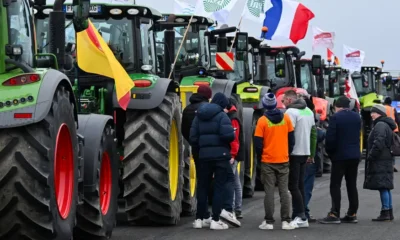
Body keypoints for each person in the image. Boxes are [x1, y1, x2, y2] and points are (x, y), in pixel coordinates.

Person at [189, 92, 235, 230]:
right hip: (220, 156)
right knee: (219, 187)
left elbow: (193, 138)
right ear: (222, 104)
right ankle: (215, 220)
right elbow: (228, 136)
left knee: (202, 186)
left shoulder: (198, 116)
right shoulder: (222, 116)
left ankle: (199, 219)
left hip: (203, 156)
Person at [254, 93, 296, 230]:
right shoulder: (286, 118)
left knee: (269, 192)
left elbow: (258, 143)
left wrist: (262, 155)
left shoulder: (262, 121)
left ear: (265, 105)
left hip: (268, 160)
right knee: (284, 191)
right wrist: (286, 152)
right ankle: (286, 221)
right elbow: (291, 140)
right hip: (283, 159)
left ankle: (269, 221)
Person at [319, 96, 361, 224]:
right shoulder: (356, 117)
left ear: (337, 106)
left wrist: (330, 153)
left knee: (335, 185)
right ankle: (352, 213)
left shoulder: (336, 117)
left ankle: (334, 213)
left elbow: (331, 139)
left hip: (340, 156)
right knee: (351, 184)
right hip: (354, 156)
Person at [282, 90, 317, 228]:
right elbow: (313, 132)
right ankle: (300, 215)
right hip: (305, 151)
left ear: (290, 100)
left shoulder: (290, 112)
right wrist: (311, 154)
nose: (282, 103)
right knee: (300, 185)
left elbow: (287, 134)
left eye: (284, 100)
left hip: (294, 152)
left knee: (293, 186)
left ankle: (301, 215)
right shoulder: (308, 110)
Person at [181, 85, 213, 227]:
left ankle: (202, 215)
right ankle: (214, 215)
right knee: (214, 182)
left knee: (201, 182)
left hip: (196, 149)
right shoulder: (210, 109)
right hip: (210, 149)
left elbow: (183, 130)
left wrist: (193, 142)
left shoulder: (187, 109)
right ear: (208, 95)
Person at [364, 104, 396, 221]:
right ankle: (389, 211)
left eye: (374, 112)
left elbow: (379, 141)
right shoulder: (385, 124)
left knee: (383, 186)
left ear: (379, 113)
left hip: (380, 160)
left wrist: (371, 155)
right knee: (385, 187)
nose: (371, 114)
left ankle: (385, 212)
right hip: (385, 159)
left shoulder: (380, 125)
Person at [220, 98, 244, 226]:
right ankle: (238, 208)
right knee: (235, 181)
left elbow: (234, 139)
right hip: (233, 154)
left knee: (231, 182)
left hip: (232, 155)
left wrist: (233, 155)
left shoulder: (233, 118)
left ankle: (234, 209)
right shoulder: (232, 116)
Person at [383, 96, 399, 172]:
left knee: (385, 147)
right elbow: (398, 120)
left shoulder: (382, 108)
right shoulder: (393, 109)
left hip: (385, 129)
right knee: (393, 147)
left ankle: (386, 164)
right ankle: (392, 165)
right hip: (394, 130)